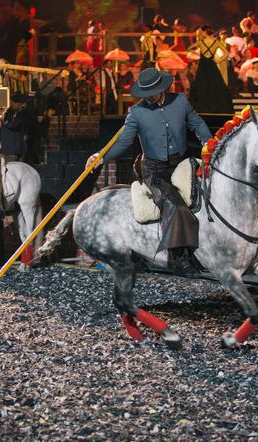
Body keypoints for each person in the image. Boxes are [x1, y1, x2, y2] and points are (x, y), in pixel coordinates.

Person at [85, 68, 213, 276]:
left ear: (162, 88)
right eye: (145, 94)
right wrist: (101, 156)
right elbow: (124, 141)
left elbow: (196, 123)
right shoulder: (136, 112)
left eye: (152, 93)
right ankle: (178, 259)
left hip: (179, 162)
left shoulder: (180, 101)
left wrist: (209, 141)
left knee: (206, 194)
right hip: (154, 170)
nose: (149, 97)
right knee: (175, 205)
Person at [188, 26, 233, 113]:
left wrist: (198, 53)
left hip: (203, 65)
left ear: (205, 32)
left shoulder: (201, 42)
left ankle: (202, 108)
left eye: (202, 31)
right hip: (212, 65)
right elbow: (226, 53)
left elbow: (189, 48)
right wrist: (218, 60)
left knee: (201, 85)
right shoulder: (215, 42)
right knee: (215, 85)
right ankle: (215, 108)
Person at [0, 94, 28, 162]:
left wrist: (4, 121)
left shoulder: (20, 114)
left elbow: (14, 125)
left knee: (12, 168)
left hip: (13, 149)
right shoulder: (9, 113)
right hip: (9, 148)